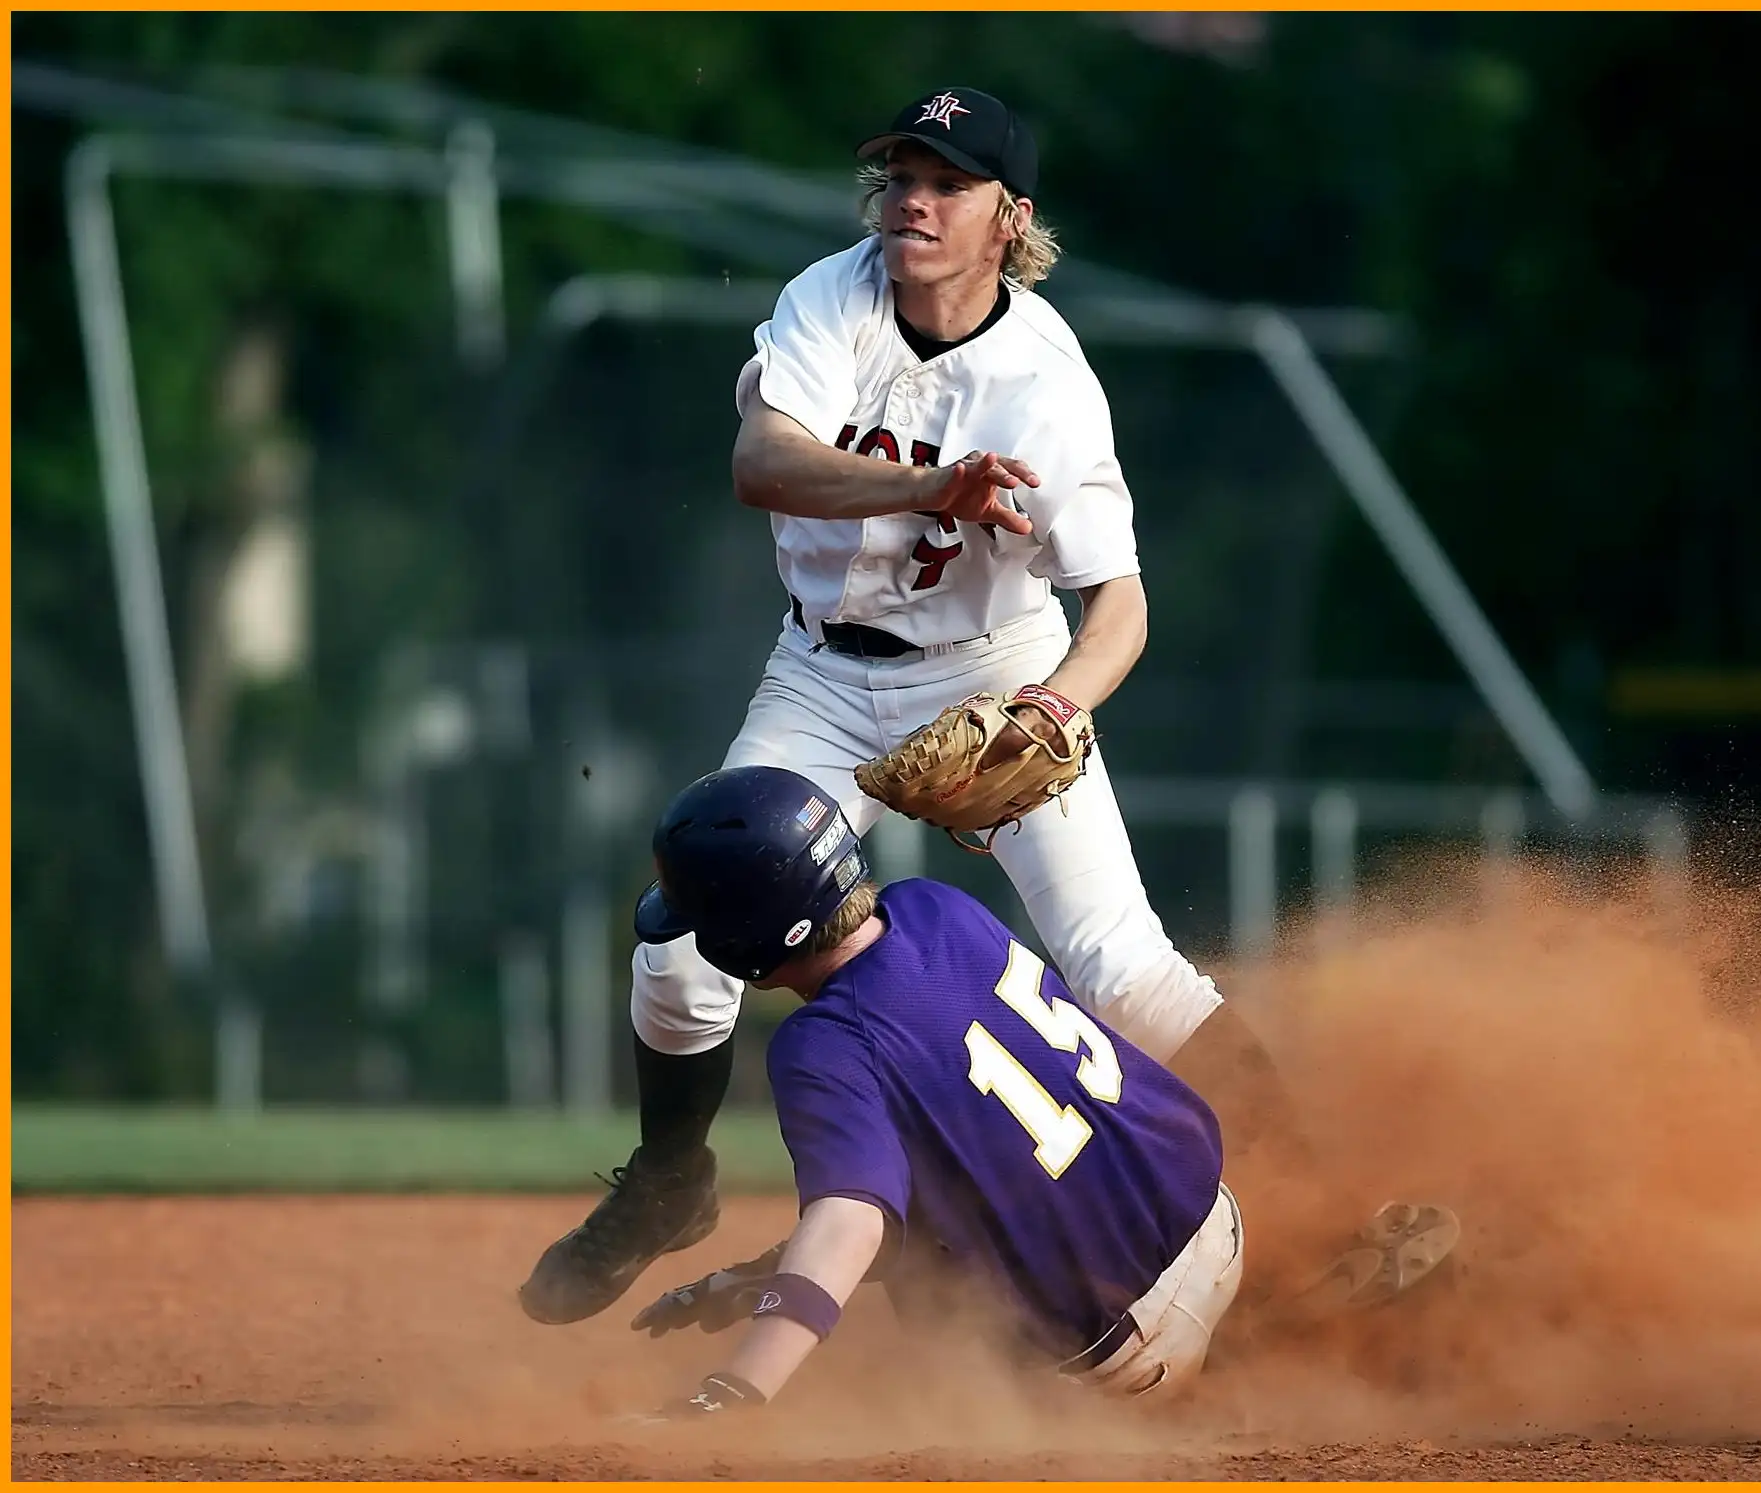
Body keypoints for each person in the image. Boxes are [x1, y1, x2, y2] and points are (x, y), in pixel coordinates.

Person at [518, 85, 1426, 1327]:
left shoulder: (1044, 383)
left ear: (1011, 218)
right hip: (820, 677)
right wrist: (942, 485)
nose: (912, 200)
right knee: (680, 950)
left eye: (945, 182)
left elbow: (1121, 610)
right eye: (898, 174)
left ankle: (1340, 1211)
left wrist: (1050, 710)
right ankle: (670, 1176)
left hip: (992, 667)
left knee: (1120, 964)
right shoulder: (830, 297)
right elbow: (758, 465)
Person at [621, 765, 1246, 1412]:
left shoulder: (822, 1042)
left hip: (1125, 1352)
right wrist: (757, 1278)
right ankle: (1252, 1343)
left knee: (936, 1316)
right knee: (935, 1176)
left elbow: (851, 1222)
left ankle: (1161, 1395)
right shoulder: (934, 905)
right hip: (1218, 1223)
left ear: (740, 939)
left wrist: (734, 1391)